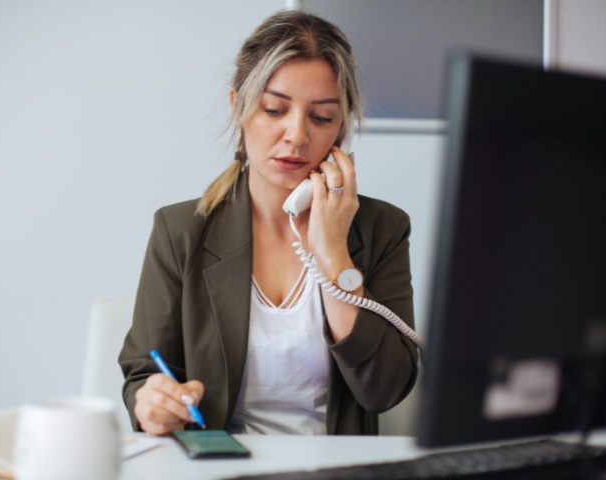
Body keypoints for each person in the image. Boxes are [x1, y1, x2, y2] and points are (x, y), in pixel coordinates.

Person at [118, 9, 419, 436]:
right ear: (238, 106)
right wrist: (152, 403)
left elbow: (384, 391)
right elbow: (143, 374)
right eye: (275, 109)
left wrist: (333, 252)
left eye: (321, 117)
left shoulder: (382, 228)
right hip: (221, 467)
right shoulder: (180, 229)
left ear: (341, 131)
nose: (296, 136)